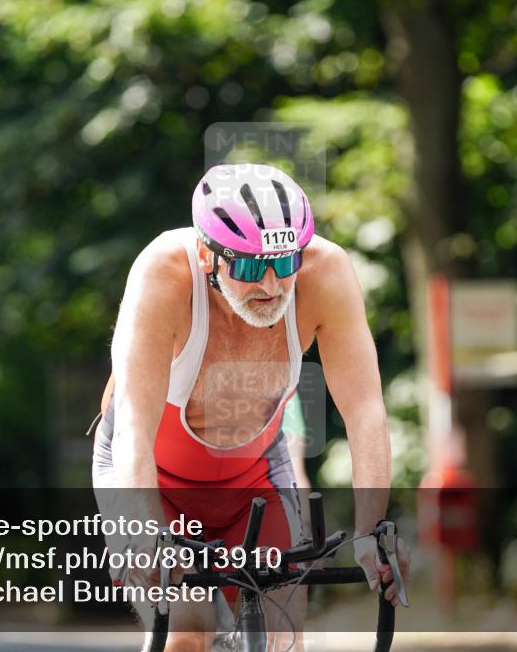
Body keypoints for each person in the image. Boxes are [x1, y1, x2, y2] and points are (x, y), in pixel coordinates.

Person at [91, 163, 409, 652]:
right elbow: (133, 425)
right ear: (207, 255)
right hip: (152, 475)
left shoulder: (325, 272)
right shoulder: (163, 272)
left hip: (254, 479)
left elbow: (365, 410)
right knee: (189, 628)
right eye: (247, 267)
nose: (271, 285)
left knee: (284, 636)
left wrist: (372, 533)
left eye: (285, 263)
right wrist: (146, 533)